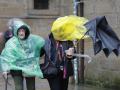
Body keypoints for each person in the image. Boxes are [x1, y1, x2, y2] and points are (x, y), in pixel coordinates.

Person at [0, 19, 45, 90]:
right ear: (16, 32)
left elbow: (41, 47)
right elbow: (6, 56)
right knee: (19, 88)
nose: (21, 33)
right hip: (16, 68)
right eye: (19, 31)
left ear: (26, 32)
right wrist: (5, 70)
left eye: (23, 31)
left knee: (31, 88)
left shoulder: (32, 41)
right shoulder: (11, 43)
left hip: (29, 68)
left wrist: (37, 56)